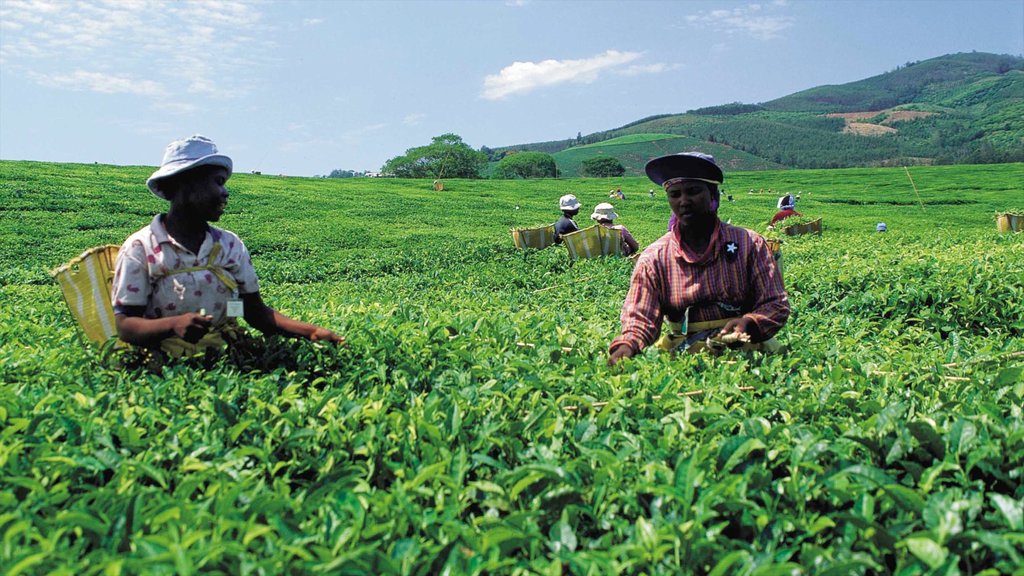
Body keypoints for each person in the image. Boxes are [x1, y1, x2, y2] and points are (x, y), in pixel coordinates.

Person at [112, 135, 344, 358]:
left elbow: (252, 311)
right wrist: (173, 325)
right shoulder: (141, 248)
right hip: (163, 366)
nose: (225, 192)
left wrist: (311, 332)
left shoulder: (229, 245)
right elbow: (126, 326)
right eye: (218, 182)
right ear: (186, 183)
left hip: (230, 358)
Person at [608, 152, 789, 366]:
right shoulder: (654, 257)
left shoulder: (749, 243)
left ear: (714, 196)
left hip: (747, 348)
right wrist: (627, 345)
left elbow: (775, 303)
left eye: (693, 191)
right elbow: (641, 315)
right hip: (684, 353)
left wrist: (749, 323)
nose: (684, 201)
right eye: (675, 194)